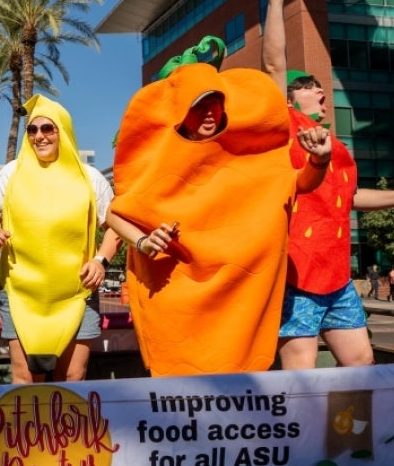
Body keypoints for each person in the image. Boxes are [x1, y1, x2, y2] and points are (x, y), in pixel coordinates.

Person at [252, 0, 394, 369]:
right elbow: (273, 63)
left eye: (322, 84)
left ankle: (353, 434)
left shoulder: (337, 147)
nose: (321, 89)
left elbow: (351, 198)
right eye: (307, 84)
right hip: (296, 275)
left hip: (337, 276)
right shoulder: (283, 125)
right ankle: (302, 434)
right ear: (288, 98)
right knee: (300, 376)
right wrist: (275, 1)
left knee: (361, 363)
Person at [107, 52, 332, 377]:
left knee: (236, 387)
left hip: (239, 298)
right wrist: (144, 242)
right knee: (181, 393)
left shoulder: (250, 153)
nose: (209, 112)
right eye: (198, 104)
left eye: (215, 102)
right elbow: (117, 213)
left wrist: (319, 161)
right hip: (176, 296)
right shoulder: (159, 158)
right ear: (180, 110)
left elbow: (296, 184)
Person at [0, 95, 122, 383]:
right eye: (32, 130)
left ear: (63, 131)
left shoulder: (90, 177)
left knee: (71, 376)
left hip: (77, 294)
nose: (39, 136)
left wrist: (99, 260)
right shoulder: (11, 173)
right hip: (21, 295)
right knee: (25, 377)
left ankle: (66, 431)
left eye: (48, 128)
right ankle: (28, 431)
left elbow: (115, 226)